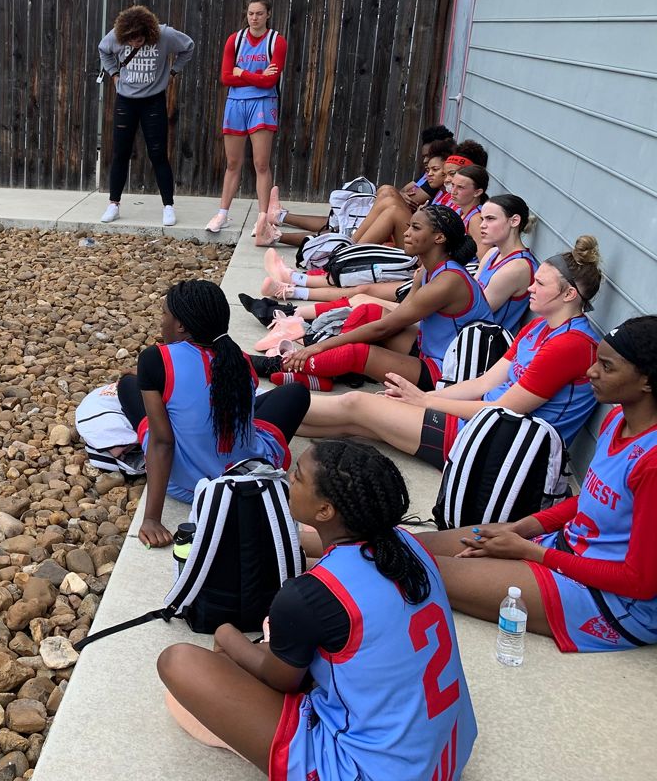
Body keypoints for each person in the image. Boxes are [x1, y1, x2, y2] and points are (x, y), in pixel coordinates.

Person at [157, 440, 476, 777]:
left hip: (369, 769)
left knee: (178, 661)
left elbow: (282, 681)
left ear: (325, 511)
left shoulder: (309, 595)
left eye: (296, 477)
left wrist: (226, 633)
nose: (286, 479)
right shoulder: (406, 544)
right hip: (447, 755)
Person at [416, 316, 657, 653]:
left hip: (613, 600)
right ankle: (315, 545)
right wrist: (521, 527)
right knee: (414, 544)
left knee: (410, 566)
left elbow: (640, 582)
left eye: (607, 366)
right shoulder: (618, 419)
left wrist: (532, 552)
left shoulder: (652, 462)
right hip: (564, 548)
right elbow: (589, 499)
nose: (591, 373)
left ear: (646, 381)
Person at [296, 237, 602, 469]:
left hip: (503, 449)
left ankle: (255, 411)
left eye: (540, 283)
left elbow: (507, 409)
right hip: (485, 427)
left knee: (356, 403)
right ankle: (261, 422)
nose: (531, 287)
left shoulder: (571, 344)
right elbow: (483, 384)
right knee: (357, 421)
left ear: (569, 294)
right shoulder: (539, 328)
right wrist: (425, 398)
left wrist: (427, 401)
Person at [115, 280, 311, 547]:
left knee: (127, 384)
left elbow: (163, 442)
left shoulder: (155, 358)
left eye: (164, 314)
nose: (161, 322)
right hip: (243, 473)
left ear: (181, 325)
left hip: (184, 484)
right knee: (296, 394)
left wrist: (151, 519)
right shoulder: (238, 359)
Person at [251, 205, 493, 390]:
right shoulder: (431, 270)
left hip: (447, 371)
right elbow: (397, 316)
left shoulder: (449, 280)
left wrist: (319, 347)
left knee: (354, 352)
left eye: (416, 229)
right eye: (409, 226)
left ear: (439, 238)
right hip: (428, 348)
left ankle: (279, 365)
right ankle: (329, 372)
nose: (406, 234)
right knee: (369, 312)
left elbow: (385, 328)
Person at [255, 125, 456, 248]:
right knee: (340, 222)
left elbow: (411, 198)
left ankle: (345, 248)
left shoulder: (443, 185)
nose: (427, 168)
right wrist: (401, 195)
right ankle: (279, 221)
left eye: (433, 165)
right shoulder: (434, 178)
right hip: (411, 227)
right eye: (426, 162)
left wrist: (401, 196)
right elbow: (406, 193)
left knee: (343, 226)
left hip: (413, 235)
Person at [97, 5, 194, 226]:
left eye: (139, 40)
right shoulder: (116, 35)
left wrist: (173, 72)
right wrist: (114, 74)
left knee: (158, 153)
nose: (134, 44)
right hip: (126, 101)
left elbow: (188, 47)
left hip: (153, 101)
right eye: (129, 41)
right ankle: (114, 204)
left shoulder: (165, 35)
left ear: (148, 32)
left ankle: (168, 206)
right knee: (120, 152)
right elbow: (103, 49)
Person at [206, 0, 287, 237]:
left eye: (259, 13)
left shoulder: (276, 41)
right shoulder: (236, 39)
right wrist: (255, 75)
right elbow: (225, 77)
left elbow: (270, 81)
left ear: (268, 14)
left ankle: (263, 218)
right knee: (232, 163)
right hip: (236, 103)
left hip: (263, 103)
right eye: (251, 13)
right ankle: (222, 213)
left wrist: (242, 72)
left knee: (261, 163)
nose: (254, 18)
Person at [352, 139, 487, 248]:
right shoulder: (455, 198)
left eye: (452, 174)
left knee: (393, 209)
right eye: (446, 174)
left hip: (428, 249)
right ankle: (350, 246)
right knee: (389, 198)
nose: (447, 179)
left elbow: (480, 259)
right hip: (427, 242)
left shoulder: (475, 217)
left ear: (477, 191)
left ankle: (350, 253)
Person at [474, 194, 536, 332]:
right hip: (467, 334)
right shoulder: (493, 253)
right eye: (482, 219)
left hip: (487, 345)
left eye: (490, 219)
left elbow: (473, 311)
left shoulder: (517, 267)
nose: (482, 225)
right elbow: (470, 293)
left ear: (514, 221)